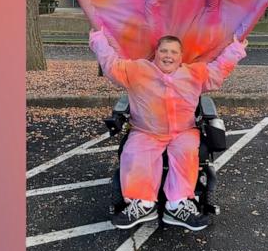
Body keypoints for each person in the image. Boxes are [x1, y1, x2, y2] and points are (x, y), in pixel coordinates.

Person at [89, 27, 248, 231]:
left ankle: (177, 205)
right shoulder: (137, 70)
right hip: (146, 130)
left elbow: (218, 71)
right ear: (156, 52)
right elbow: (111, 66)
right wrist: (98, 39)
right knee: (135, 152)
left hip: (183, 131)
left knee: (187, 151)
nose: (168, 55)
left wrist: (236, 49)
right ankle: (143, 204)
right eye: (164, 51)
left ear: (181, 57)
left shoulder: (193, 73)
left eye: (173, 52)